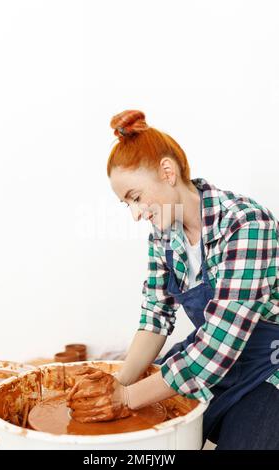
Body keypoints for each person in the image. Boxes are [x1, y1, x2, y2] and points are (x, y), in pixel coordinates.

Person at [73, 109, 279, 449]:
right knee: (155, 435)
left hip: (266, 365)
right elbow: (155, 317)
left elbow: (216, 348)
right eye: (127, 205)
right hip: (215, 359)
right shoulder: (165, 232)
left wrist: (126, 398)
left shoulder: (246, 224)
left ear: (167, 172)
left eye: (136, 198)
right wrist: (116, 383)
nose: (137, 214)